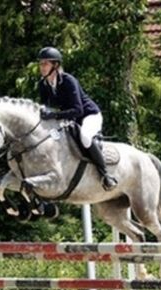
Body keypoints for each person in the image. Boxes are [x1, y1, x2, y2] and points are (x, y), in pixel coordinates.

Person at [37, 46, 118, 191]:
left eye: (45, 63)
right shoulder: (43, 84)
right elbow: (46, 107)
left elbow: (77, 110)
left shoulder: (68, 81)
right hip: (70, 119)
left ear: (55, 65)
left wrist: (54, 115)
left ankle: (105, 175)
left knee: (85, 137)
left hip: (89, 115)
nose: (42, 67)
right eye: (41, 64)